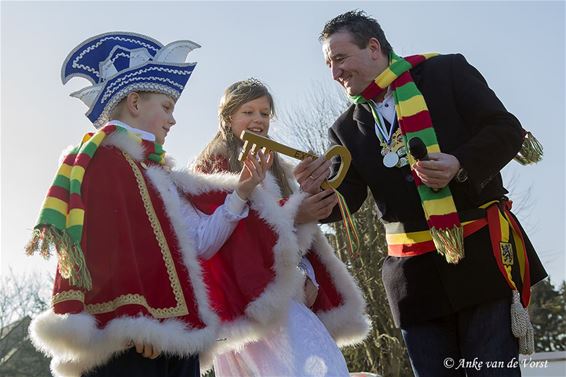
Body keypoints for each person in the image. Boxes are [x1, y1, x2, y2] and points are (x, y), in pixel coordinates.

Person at [294, 10, 548, 377]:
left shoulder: (446, 72)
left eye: (340, 58)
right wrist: (317, 189)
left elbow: (505, 130)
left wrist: (460, 163)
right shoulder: (345, 130)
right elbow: (344, 202)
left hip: (479, 263)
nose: (334, 73)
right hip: (415, 286)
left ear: (374, 47)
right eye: (328, 64)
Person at [25, 32, 271, 377]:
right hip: (136, 343)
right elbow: (103, 249)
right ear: (136, 103)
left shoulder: (154, 173)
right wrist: (134, 319)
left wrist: (242, 192)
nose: (173, 120)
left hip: (174, 337)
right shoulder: (107, 161)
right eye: (167, 107)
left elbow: (200, 242)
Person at [187, 78, 370, 376]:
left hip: (284, 293)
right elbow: (228, 239)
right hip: (249, 302)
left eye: (264, 113)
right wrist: (297, 211)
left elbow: (293, 241)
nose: (258, 120)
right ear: (228, 117)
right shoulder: (213, 167)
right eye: (248, 112)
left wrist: (308, 274)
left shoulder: (279, 168)